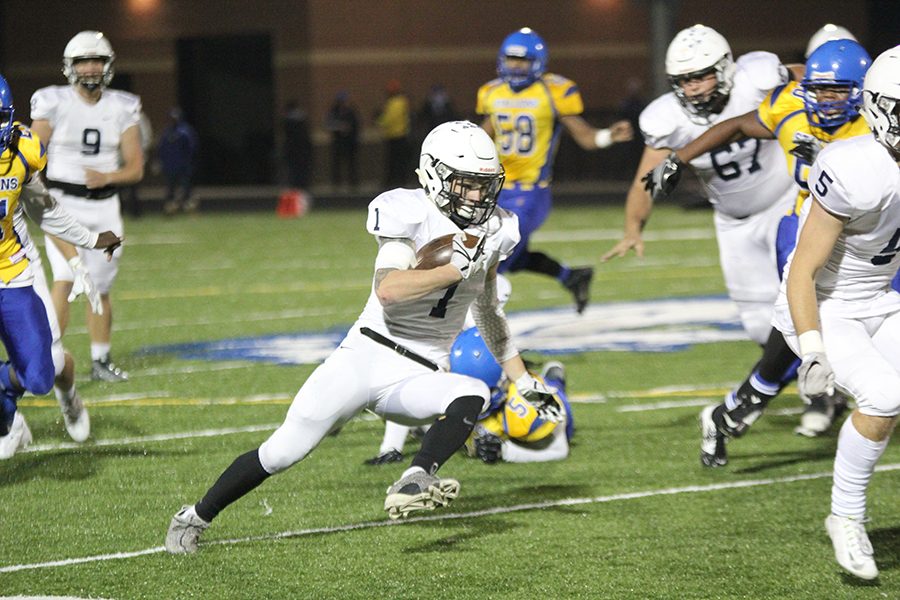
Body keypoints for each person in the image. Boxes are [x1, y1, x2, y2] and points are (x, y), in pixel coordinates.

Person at [165, 120, 561, 553]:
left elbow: (486, 310)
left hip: (420, 372)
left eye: (484, 185)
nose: (477, 196)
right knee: (281, 453)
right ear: (433, 176)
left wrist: (524, 381)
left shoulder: (497, 228)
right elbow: (388, 290)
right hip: (365, 357)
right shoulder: (408, 213)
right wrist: (450, 270)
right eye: (465, 184)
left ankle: (415, 477)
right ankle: (195, 516)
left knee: (471, 391)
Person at [645, 39, 872, 465]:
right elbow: (734, 125)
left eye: (838, 90)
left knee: (834, 336)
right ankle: (743, 408)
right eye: (819, 89)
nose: (826, 99)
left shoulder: (877, 121)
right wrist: (679, 158)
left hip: (870, 235)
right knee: (801, 336)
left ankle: (739, 408)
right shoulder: (790, 107)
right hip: (808, 230)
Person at [772, 46, 900, 580]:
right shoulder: (856, 168)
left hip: (884, 297)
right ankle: (845, 517)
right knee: (885, 396)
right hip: (829, 305)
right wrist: (812, 350)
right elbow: (802, 272)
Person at [0, 74, 122, 458]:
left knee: (41, 373)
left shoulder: (21, 149)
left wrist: (88, 239)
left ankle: (59, 394)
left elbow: (43, 209)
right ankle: (9, 422)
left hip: (12, 273)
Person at [478, 28, 633, 314]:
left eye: (521, 60)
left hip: (530, 193)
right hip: (493, 192)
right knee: (513, 256)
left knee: (490, 266)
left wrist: (608, 135)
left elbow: (585, 136)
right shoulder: (491, 92)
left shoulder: (553, 91)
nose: (515, 65)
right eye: (511, 59)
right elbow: (480, 136)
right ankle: (571, 276)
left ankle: (489, 344)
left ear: (537, 61)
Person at [30, 30, 143, 383]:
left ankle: (100, 359)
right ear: (70, 66)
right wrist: (38, 198)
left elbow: (135, 167)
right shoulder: (52, 101)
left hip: (105, 207)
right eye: (83, 61)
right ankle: (50, 358)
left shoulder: (123, 106)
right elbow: (31, 156)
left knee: (101, 286)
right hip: (61, 203)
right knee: (65, 277)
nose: (91, 68)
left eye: (97, 61)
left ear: (108, 66)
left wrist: (107, 176)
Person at [158, 107, 198, 215]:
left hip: (183, 165)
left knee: (186, 188)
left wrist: (189, 162)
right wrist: (160, 161)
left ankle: (189, 209)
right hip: (170, 165)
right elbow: (162, 148)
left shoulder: (185, 131)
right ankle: (170, 210)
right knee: (170, 189)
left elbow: (192, 148)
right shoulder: (167, 132)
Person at [376, 79, 412, 188]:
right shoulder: (400, 101)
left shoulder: (397, 102)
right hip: (397, 136)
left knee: (394, 161)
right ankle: (398, 181)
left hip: (397, 136)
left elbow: (390, 118)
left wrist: (379, 122)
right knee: (397, 161)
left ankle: (394, 182)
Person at [325, 91, 360, 188]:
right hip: (338, 141)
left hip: (349, 141)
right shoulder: (333, 112)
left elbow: (356, 125)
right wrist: (339, 127)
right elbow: (328, 124)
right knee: (336, 162)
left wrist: (350, 130)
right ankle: (336, 182)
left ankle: (353, 182)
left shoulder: (351, 111)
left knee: (351, 162)